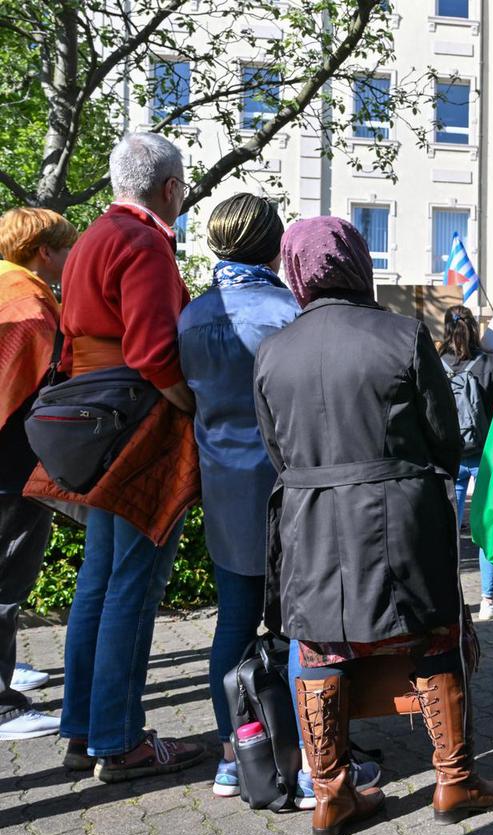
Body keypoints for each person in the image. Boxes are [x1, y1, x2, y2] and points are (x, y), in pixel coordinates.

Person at [253, 216, 493, 835]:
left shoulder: (272, 350)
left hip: (309, 519)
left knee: (317, 647)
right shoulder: (402, 334)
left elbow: (277, 451)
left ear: (296, 270)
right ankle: (454, 780)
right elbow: (444, 436)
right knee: (432, 636)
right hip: (399, 515)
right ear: (357, 263)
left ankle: (330, 795)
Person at [47, 132, 205, 779]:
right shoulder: (144, 242)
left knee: (99, 579)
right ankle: (119, 741)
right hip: (138, 427)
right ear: (170, 188)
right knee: (134, 585)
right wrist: (193, 408)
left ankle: (84, 731)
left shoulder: (91, 236)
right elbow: (153, 353)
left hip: (96, 423)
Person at [177, 194, 306, 795]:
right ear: (273, 245)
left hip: (223, 484)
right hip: (285, 484)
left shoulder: (192, 316)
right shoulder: (289, 310)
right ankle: (307, 754)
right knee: (297, 625)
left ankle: (235, 754)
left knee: (232, 620)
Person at [0, 208, 76, 741]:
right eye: (67, 248)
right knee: (7, 580)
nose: (71, 257)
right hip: (11, 468)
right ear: (44, 251)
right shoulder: (29, 302)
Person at [439, 305, 493, 620]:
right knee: (487, 529)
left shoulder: (434, 364)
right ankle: (489, 600)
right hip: (486, 458)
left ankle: (448, 600)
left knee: (447, 532)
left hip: (449, 458)